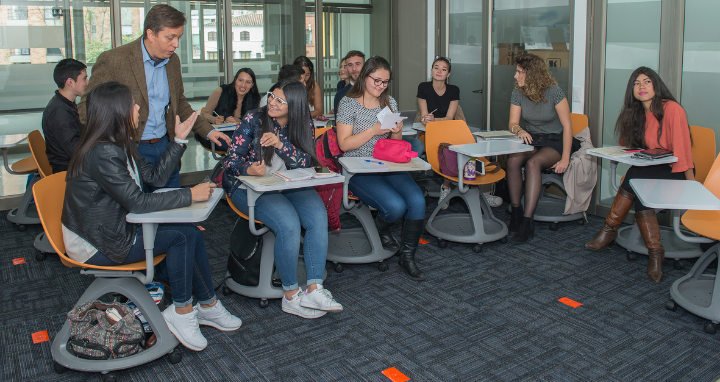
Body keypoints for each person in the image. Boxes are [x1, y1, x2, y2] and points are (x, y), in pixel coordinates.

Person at [62, 81, 241, 351]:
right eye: (132, 104)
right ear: (117, 111)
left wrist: (179, 139)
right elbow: (137, 202)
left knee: (190, 232)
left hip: (112, 228)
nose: (137, 109)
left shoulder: (119, 144)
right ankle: (181, 312)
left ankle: (207, 305)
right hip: (95, 243)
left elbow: (156, 179)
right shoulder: (103, 152)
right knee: (182, 236)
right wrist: (190, 195)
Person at [223, 79, 343, 319]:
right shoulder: (253, 119)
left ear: (295, 105)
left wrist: (280, 144)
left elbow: (306, 162)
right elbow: (230, 161)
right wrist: (249, 169)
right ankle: (290, 296)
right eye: (271, 96)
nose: (272, 102)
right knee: (288, 224)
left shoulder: (303, 123)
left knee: (318, 217)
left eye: (280, 100)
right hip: (247, 186)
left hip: (287, 183)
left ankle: (314, 289)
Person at [78, 4, 231, 189]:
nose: (176, 44)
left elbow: (179, 103)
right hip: (131, 147)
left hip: (166, 145)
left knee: (173, 206)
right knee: (138, 208)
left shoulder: (172, 61)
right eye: (170, 37)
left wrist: (208, 130)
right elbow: (86, 109)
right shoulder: (114, 60)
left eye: (179, 37)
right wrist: (114, 143)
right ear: (151, 34)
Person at [586, 67, 694, 283]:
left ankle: (609, 230)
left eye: (647, 81)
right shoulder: (632, 113)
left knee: (635, 179)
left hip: (675, 170)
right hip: (647, 171)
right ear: (631, 89)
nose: (642, 87)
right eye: (637, 83)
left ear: (656, 85)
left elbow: (683, 151)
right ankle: (656, 252)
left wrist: (692, 185)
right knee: (640, 186)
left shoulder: (672, 109)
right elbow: (629, 150)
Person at [336, 56, 427, 281]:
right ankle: (381, 230)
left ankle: (407, 258)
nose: (380, 86)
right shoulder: (348, 103)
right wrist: (374, 130)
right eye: (376, 80)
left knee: (417, 201)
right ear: (365, 76)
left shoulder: (389, 102)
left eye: (385, 82)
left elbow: (394, 141)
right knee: (395, 207)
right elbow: (344, 144)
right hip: (357, 168)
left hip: (386, 163)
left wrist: (396, 130)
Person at [505, 53, 580, 242]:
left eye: (519, 72)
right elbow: (512, 123)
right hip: (531, 137)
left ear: (532, 74)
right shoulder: (518, 92)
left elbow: (567, 127)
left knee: (533, 163)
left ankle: (527, 222)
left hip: (554, 139)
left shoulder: (554, 92)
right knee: (513, 160)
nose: (515, 76)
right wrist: (519, 130)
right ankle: (516, 212)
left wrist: (565, 158)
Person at [417, 56, 460, 209]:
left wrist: (434, 120)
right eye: (436, 67)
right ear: (431, 70)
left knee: (451, 149)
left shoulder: (454, 90)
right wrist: (427, 118)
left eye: (444, 69)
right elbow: (424, 115)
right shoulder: (423, 87)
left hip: (447, 127)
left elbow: (449, 117)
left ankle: (445, 187)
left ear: (448, 74)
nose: (439, 71)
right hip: (429, 127)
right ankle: (417, 188)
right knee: (418, 149)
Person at [42, 58, 89, 174]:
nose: (87, 83)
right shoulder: (59, 112)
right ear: (70, 82)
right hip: (69, 172)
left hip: (73, 166)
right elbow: (75, 150)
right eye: (84, 78)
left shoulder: (66, 104)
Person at [198, 68, 260, 152]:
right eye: (240, 80)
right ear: (235, 80)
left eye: (248, 82)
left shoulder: (255, 99)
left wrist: (239, 121)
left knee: (255, 144)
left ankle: (241, 163)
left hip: (242, 135)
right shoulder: (221, 91)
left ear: (252, 84)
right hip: (218, 134)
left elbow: (256, 122)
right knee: (238, 146)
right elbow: (205, 114)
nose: (243, 85)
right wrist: (214, 119)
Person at [334, 50, 365, 115]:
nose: (354, 68)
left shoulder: (374, 90)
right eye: (350, 65)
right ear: (347, 68)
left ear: (365, 66)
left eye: (357, 64)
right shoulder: (341, 95)